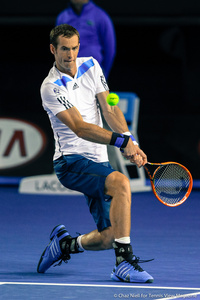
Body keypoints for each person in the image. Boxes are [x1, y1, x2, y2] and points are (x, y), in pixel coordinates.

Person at [37, 24, 154, 283]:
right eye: (64, 49)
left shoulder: (91, 65)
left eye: (75, 48)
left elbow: (109, 107)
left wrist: (131, 140)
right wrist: (122, 142)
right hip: (71, 162)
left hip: (98, 161)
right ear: (53, 50)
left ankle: (64, 245)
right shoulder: (51, 87)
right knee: (122, 182)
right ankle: (124, 263)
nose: (70, 54)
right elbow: (79, 128)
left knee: (110, 235)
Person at [56, 0, 116, 79]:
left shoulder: (101, 16)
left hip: (93, 75)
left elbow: (110, 49)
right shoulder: (62, 18)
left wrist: (104, 75)